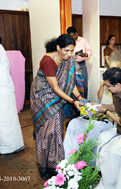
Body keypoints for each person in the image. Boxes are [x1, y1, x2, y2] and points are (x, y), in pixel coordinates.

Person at [30, 34, 84, 179]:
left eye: (72, 51)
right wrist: (73, 102)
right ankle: (45, 165)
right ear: (58, 47)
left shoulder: (68, 60)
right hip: (43, 98)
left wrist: (78, 96)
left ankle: (56, 164)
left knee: (57, 130)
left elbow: (69, 83)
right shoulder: (48, 60)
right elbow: (55, 87)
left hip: (57, 99)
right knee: (47, 132)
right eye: (66, 50)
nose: (69, 54)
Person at [67, 26, 92, 99]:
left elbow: (89, 50)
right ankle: (73, 104)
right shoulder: (67, 41)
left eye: (72, 35)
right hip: (71, 65)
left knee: (84, 85)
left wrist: (86, 54)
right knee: (72, 84)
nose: (71, 37)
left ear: (76, 33)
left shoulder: (83, 40)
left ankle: (84, 103)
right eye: (69, 36)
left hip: (81, 65)